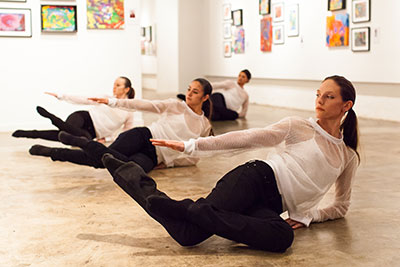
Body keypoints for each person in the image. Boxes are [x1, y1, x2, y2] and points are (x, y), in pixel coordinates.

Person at [99, 75, 360, 252]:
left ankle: (189, 209)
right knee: (188, 236)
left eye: (329, 97)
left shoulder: (347, 155)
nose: (319, 101)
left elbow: (341, 205)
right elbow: (247, 138)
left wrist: (310, 216)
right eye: (318, 94)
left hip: (272, 206)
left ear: (346, 105)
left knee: (283, 237)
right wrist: (192, 145)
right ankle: (130, 174)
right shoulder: (299, 126)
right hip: (254, 179)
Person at [28, 78, 213, 173]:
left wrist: (168, 163)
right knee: (101, 160)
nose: (189, 94)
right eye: (188, 89)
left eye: (195, 92)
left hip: (154, 157)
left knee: (116, 165)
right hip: (143, 136)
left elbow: (195, 157)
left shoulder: (205, 125)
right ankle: (56, 152)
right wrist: (113, 102)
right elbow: (142, 104)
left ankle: (79, 143)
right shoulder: (175, 105)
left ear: (204, 97)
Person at [12, 76, 135, 143]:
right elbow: (83, 99)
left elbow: (125, 134)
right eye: (114, 84)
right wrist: (61, 96)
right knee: (67, 133)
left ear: (126, 89)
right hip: (83, 118)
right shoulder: (106, 98)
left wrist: (107, 138)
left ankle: (28, 133)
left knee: (62, 136)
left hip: (91, 133)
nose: (114, 88)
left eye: (118, 85)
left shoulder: (129, 111)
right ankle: (51, 117)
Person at [177, 69, 251, 121]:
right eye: (239, 75)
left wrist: (237, 115)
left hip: (226, 109)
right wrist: (203, 88)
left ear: (247, 80)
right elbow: (216, 85)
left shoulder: (246, 95)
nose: (240, 78)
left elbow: (244, 111)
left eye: (243, 77)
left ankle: (194, 102)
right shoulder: (231, 83)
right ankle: (193, 100)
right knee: (213, 106)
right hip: (219, 99)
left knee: (224, 115)